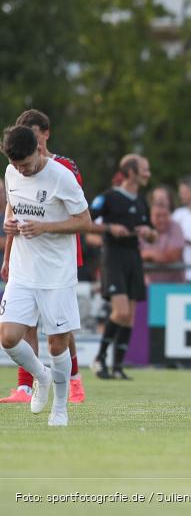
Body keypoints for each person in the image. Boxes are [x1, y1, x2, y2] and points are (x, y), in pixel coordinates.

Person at [0, 125, 91, 426]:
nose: (21, 170)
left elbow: (85, 222)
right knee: (8, 338)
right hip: (22, 271)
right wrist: (9, 227)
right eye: (15, 165)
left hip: (56, 275)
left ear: (38, 149)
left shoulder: (62, 177)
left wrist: (45, 227)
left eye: (25, 164)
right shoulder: (11, 173)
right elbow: (13, 208)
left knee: (57, 345)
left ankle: (60, 408)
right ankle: (41, 375)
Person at [89, 154, 156, 380]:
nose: (148, 173)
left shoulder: (141, 201)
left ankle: (117, 366)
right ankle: (99, 358)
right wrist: (109, 228)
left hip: (133, 257)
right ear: (130, 172)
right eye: (144, 169)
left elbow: (153, 233)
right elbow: (85, 221)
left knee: (130, 316)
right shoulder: (108, 197)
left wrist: (148, 233)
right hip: (113, 257)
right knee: (121, 311)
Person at [141, 185, 186, 285]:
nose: (162, 220)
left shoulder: (176, 227)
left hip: (173, 286)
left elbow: (173, 256)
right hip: (148, 286)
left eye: (165, 215)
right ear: (150, 215)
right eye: (158, 216)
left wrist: (149, 254)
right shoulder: (143, 228)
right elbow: (136, 256)